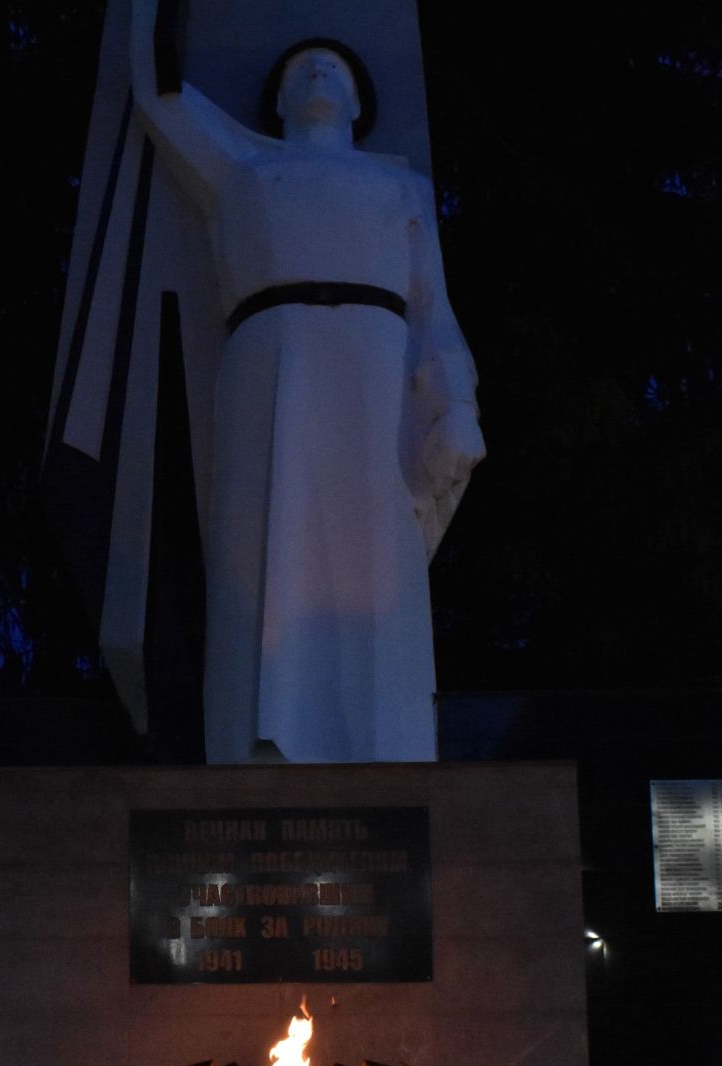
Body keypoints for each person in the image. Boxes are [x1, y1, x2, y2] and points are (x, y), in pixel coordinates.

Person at [130, 0, 484, 763]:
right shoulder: (239, 170)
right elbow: (158, 92)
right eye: (299, 69)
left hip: (375, 363)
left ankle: (385, 747)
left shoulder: (402, 190)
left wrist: (455, 405)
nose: (318, 71)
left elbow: (433, 307)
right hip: (272, 357)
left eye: (333, 67)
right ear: (279, 101)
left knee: (378, 558)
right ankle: (255, 741)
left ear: (359, 101)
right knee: (263, 550)